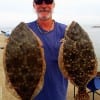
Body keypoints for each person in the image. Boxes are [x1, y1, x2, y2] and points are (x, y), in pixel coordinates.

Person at [27, 0, 68, 100]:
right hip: (30, 93)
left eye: (48, 1)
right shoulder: (25, 30)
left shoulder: (66, 30)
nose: (44, 6)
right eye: (39, 2)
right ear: (34, 5)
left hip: (58, 93)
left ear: (53, 5)